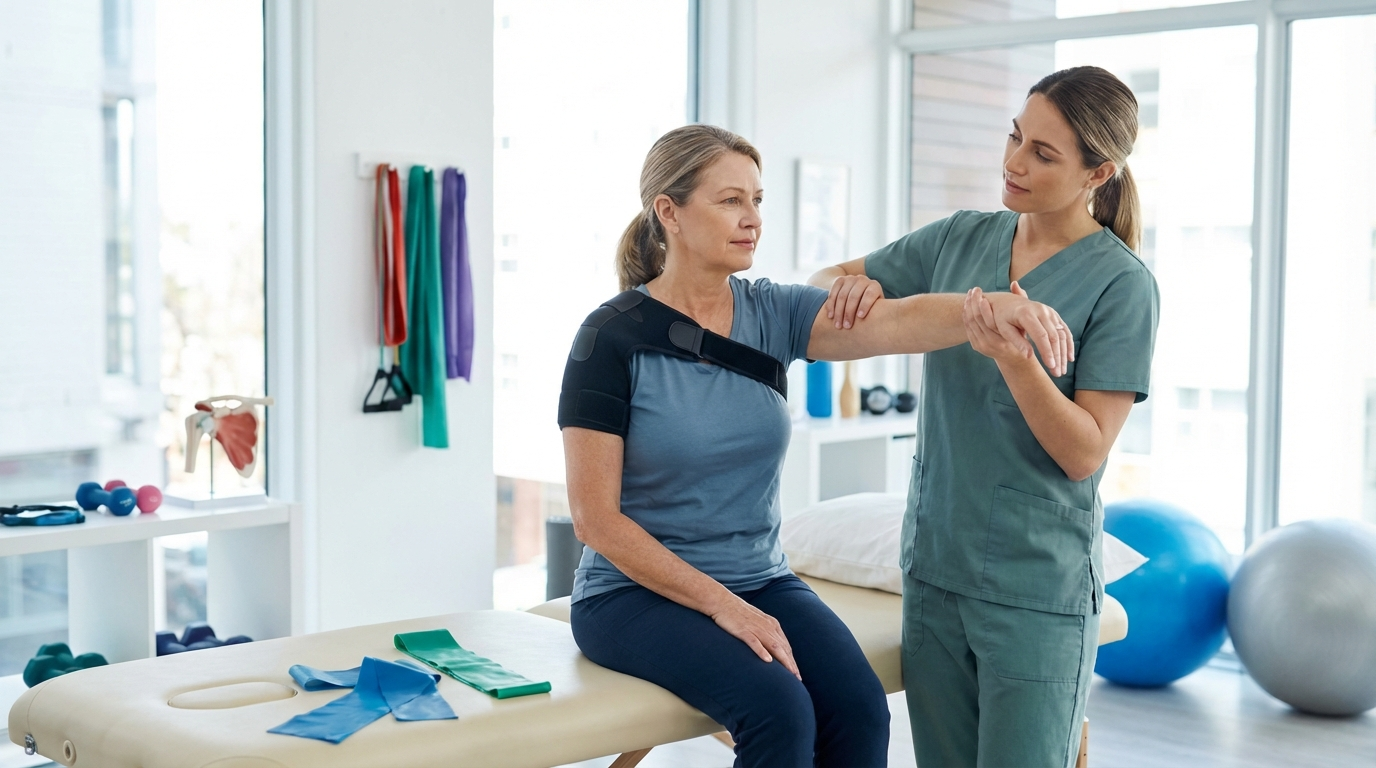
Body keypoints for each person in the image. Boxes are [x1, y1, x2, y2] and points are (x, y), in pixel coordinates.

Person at [560, 124, 1075, 768]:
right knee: (777, 707)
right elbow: (596, 521)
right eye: (730, 201)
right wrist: (726, 609)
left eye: (757, 200)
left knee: (859, 707)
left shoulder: (773, 313)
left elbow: (898, 319)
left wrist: (992, 310)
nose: (752, 220)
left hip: (759, 578)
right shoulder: (608, 339)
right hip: (632, 596)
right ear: (669, 211)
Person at [809, 66, 1160, 767]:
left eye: (1043, 153)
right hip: (936, 571)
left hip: (1034, 593)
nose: (1014, 162)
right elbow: (819, 286)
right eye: (1015, 136)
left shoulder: (1122, 286)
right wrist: (849, 290)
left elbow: (1085, 452)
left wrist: (1016, 359)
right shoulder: (959, 239)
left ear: (1099, 174)